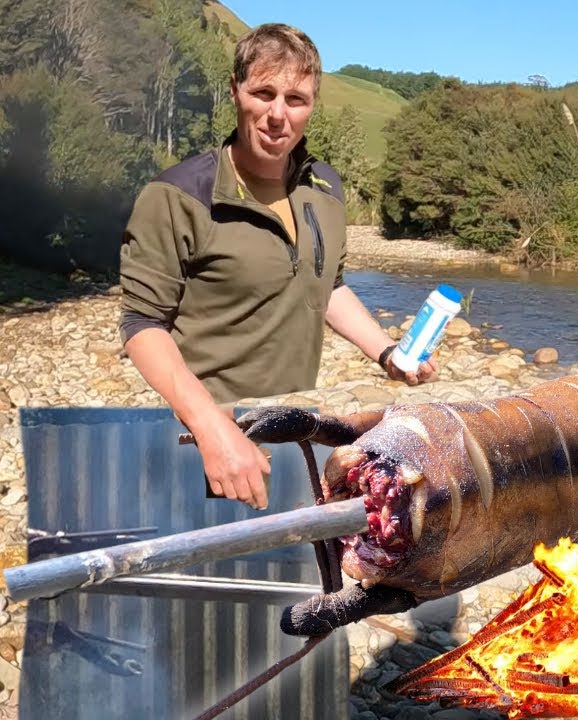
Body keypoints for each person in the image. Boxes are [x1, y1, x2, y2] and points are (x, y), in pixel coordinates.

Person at [118, 23, 437, 510]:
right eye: (262, 93)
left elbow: (327, 285)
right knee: (204, 576)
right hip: (202, 432)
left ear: (312, 103)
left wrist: (387, 352)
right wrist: (211, 429)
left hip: (297, 425)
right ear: (234, 91)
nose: (277, 115)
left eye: (296, 99)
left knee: (297, 577)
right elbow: (142, 326)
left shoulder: (325, 188)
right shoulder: (177, 196)